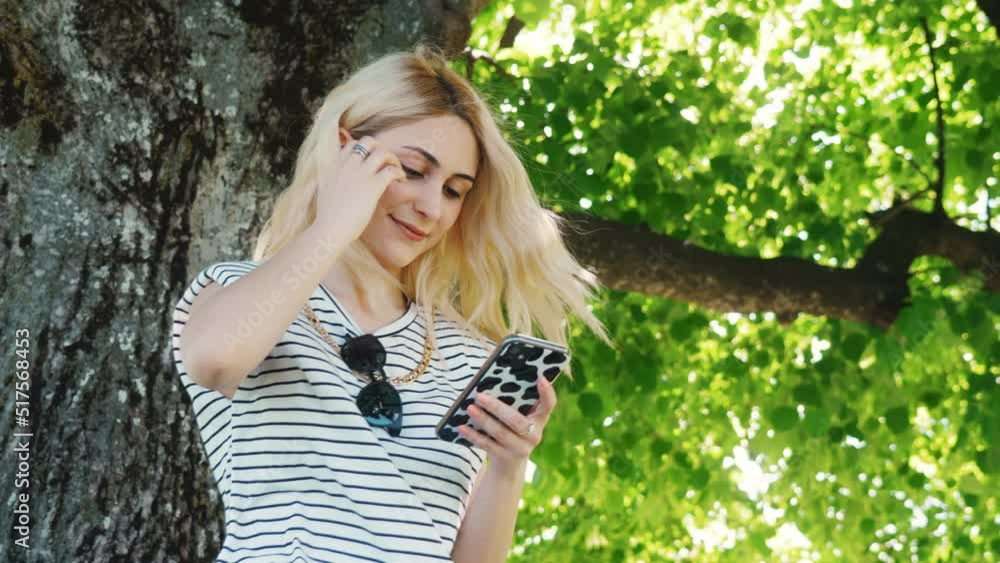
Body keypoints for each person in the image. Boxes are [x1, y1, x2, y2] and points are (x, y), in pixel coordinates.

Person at [170, 43, 614, 563]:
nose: (431, 207)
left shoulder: (466, 355)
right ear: (345, 151)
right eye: (413, 169)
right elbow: (214, 359)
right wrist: (335, 222)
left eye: (454, 191)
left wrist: (509, 465)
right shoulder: (242, 290)